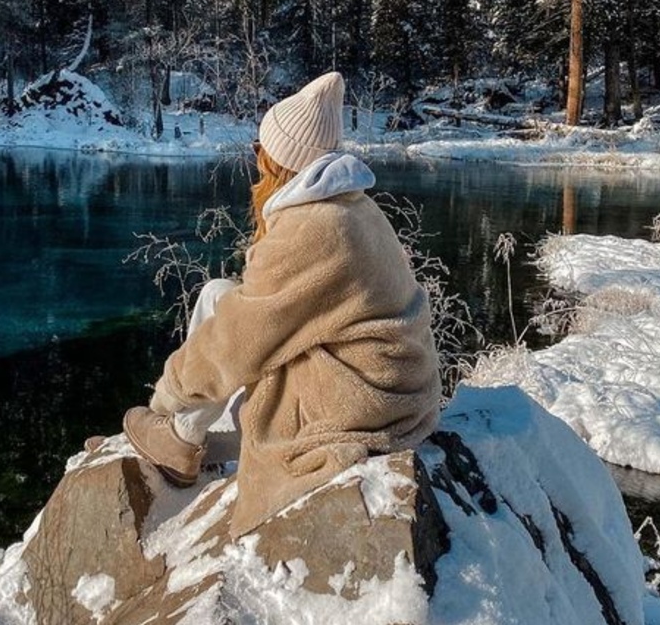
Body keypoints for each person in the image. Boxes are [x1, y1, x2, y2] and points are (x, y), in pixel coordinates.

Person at [120, 71, 442, 536]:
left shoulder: (315, 229)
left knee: (238, 327)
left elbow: (238, 341)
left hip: (368, 401)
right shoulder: (351, 204)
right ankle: (188, 431)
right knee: (218, 294)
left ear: (281, 160)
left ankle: (179, 437)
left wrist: (168, 392)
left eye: (260, 147)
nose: (254, 155)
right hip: (394, 381)